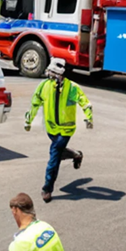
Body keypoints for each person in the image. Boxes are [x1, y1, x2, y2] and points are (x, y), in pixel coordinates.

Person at [25, 59, 94, 203]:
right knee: (58, 150)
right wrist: (28, 120)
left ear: (61, 74)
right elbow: (35, 103)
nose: (51, 76)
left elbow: (84, 102)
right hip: (51, 128)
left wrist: (89, 118)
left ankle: (47, 188)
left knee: (54, 157)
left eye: (54, 73)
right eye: (50, 73)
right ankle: (75, 154)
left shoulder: (71, 88)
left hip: (66, 130)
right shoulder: (44, 86)